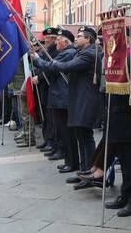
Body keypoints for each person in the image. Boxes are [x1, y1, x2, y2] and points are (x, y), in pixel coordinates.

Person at [33, 26, 102, 183]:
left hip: (85, 101)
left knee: (85, 137)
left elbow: (63, 67)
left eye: (79, 36)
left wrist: (38, 60)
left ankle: (88, 172)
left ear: (89, 39)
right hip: (79, 100)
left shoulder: (89, 53)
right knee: (81, 136)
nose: (76, 38)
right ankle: (85, 172)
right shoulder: (82, 52)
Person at [103, 42, 131, 217]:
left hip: (129, 119)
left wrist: (118, 80)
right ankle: (125, 195)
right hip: (115, 119)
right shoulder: (114, 58)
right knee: (124, 163)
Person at [32, 29, 79, 169]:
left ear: (65, 41)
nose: (56, 42)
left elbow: (51, 67)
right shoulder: (65, 52)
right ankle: (68, 160)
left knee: (66, 132)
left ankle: (71, 162)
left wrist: (37, 59)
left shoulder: (68, 53)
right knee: (61, 130)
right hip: (58, 96)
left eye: (58, 39)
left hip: (62, 98)